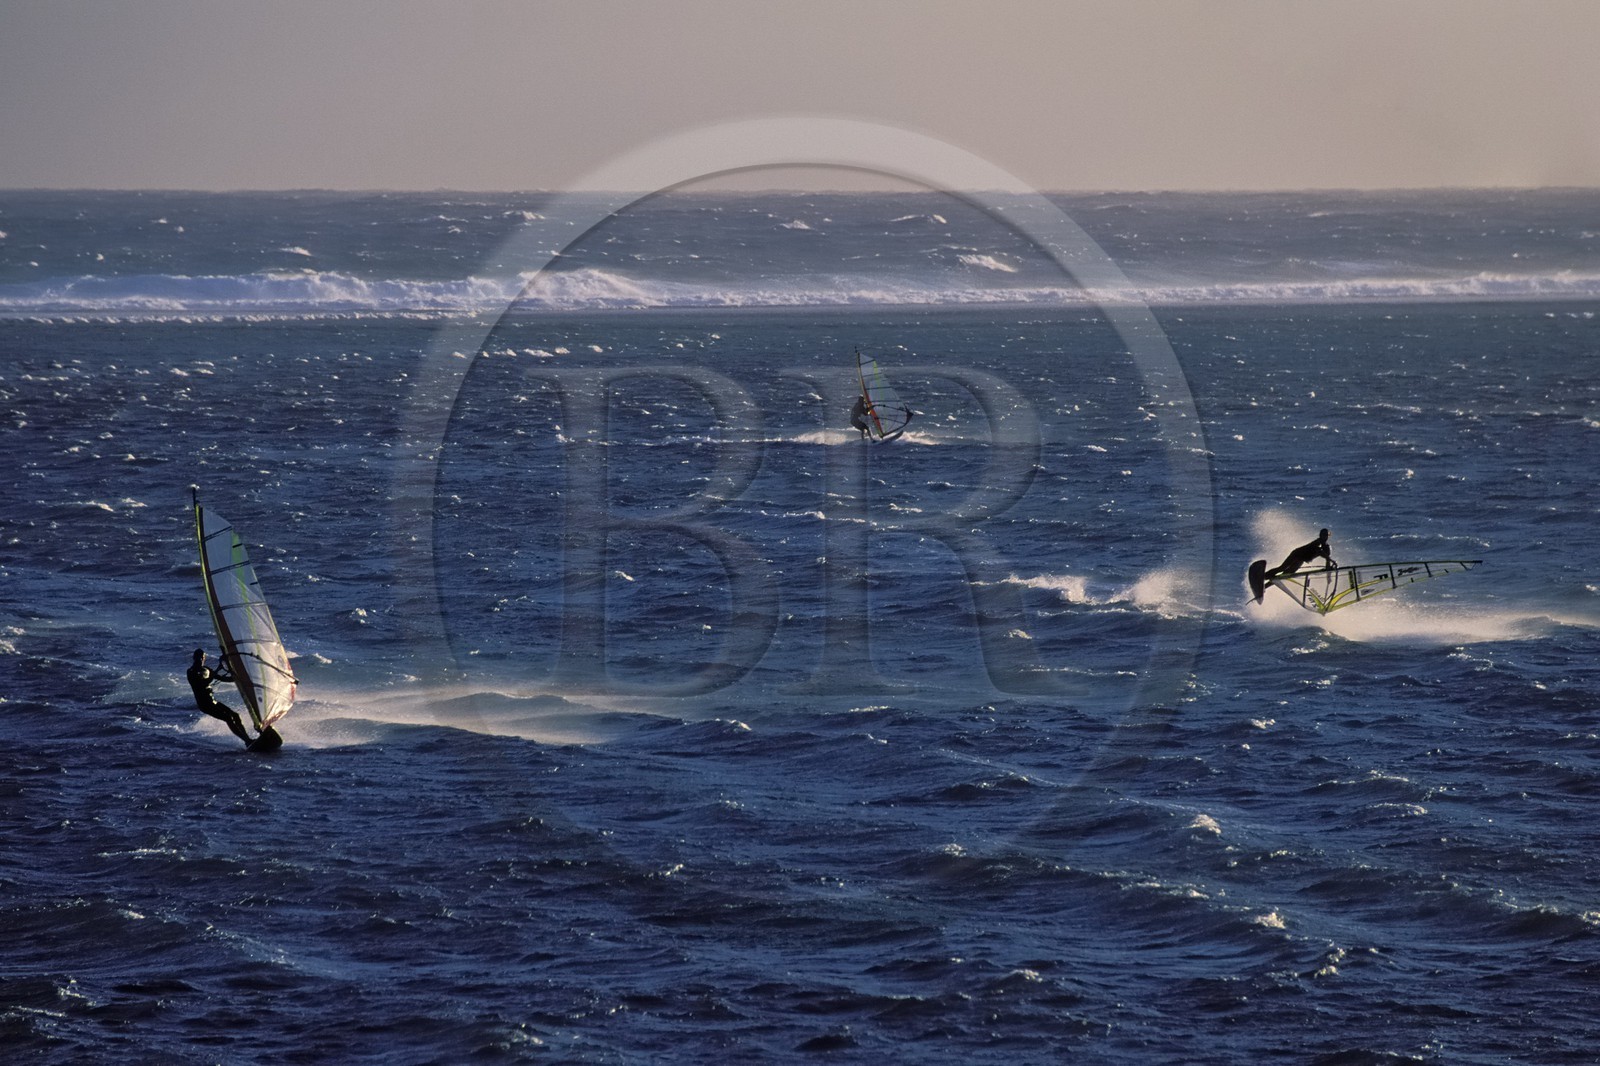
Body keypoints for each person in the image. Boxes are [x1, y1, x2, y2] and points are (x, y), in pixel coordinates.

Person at [186, 648, 252, 745]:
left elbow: (222, 678)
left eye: (202, 657)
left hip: (213, 702)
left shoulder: (207, 669)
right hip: (204, 705)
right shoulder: (191, 672)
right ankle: (247, 741)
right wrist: (213, 675)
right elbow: (201, 683)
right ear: (194, 658)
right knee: (228, 718)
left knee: (235, 715)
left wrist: (238, 678)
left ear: (204, 658)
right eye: (198, 657)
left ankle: (247, 738)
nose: (200, 659)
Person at [1266, 528, 1336, 581]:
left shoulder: (1327, 547)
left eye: (1326, 535)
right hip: (1296, 554)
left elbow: (1327, 560)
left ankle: (1267, 585)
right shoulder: (1317, 542)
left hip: (1301, 559)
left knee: (1287, 574)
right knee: (1282, 568)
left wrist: (1328, 576)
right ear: (1320, 535)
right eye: (1323, 535)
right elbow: (1320, 551)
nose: (1325, 537)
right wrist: (1332, 560)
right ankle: (1264, 576)